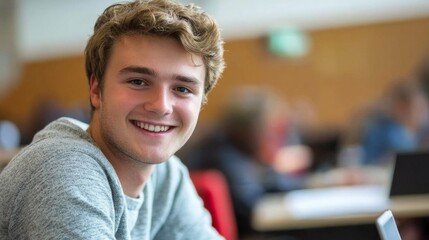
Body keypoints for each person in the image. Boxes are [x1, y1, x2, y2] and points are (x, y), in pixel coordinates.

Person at [0, 0, 225, 239]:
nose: (161, 106)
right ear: (96, 90)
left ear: (201, 102)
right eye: (138, 82)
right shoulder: (64, 171)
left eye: (182, 89)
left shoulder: (166, 177)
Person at [184, 86, 311, 237]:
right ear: (250, 129)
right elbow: (250, 207)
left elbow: (272, 181)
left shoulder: (240, 151)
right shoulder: (221, 154)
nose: (273, 138)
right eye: (268, 130)